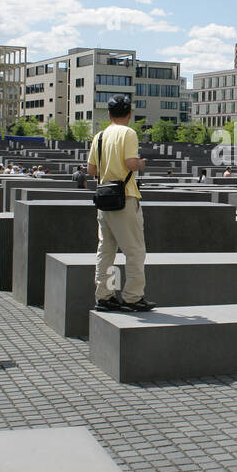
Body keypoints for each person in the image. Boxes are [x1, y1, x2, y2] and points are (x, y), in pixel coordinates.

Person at [89, 95, 154, 312]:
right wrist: (141, 164)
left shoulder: (99, 136)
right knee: (134, 251)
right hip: (124, 198)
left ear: (108, 114)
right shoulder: (128, 133)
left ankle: (104, 296)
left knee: (105, 250)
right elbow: (130, 163)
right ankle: (132, 297)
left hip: (104, 199)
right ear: (129, 114)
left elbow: (91, 170)